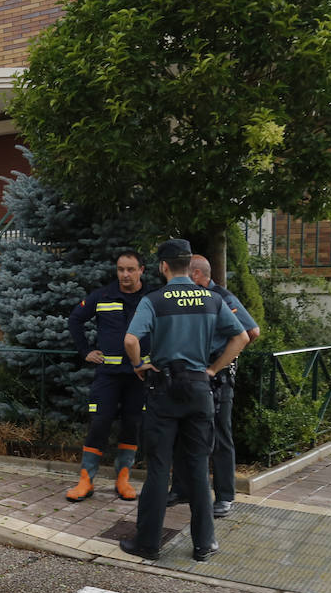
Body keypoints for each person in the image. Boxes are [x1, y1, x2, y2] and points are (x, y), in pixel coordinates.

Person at [121, 239, 248, 562]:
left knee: (159, 468)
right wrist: (212, 369)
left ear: (163, 266)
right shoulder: (211, 299)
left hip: (163, 389)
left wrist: (139, 366)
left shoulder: (154, 300)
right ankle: (204, 544)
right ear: (189, 265)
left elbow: (131, 340)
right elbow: (242, 336)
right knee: (197, 468)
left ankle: (147, 544)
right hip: (198, 389)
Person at [168, 254, 261, 517]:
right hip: (192, 375)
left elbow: (251, 332)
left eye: (186, 274)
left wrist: (223, 362)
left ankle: (225, 496)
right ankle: (181, 489)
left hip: (216, 377)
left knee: (220, 434)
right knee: (184, 431)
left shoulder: (221, 297)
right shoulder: (190, 299)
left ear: (197, 275)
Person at [64, 250, 151, 501]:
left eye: (130, 269)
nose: (125, 274)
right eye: (121, 269)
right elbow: (75, 320)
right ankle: (86, 480)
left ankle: (123, 478)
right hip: (108, 376)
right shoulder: (102, 296)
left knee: (132, 424)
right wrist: (86, 351)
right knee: (99, 423)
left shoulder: (151, 297)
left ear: (141, 270)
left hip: (139, 376)